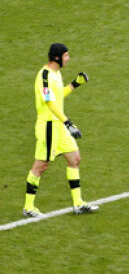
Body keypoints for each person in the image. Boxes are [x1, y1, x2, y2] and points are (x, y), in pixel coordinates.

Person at [23, 43, 98, 217]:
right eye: (66, 56)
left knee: (75, 158)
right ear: (57, 57)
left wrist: (74, 84)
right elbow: (49, 102)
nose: (68, 59)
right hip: (48, 126)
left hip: (58, 125)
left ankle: (78, 203)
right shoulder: (44, 75)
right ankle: (28, 207)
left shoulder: (57, 73)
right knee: (41, 166)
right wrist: (68, 122)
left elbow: (57, 97)